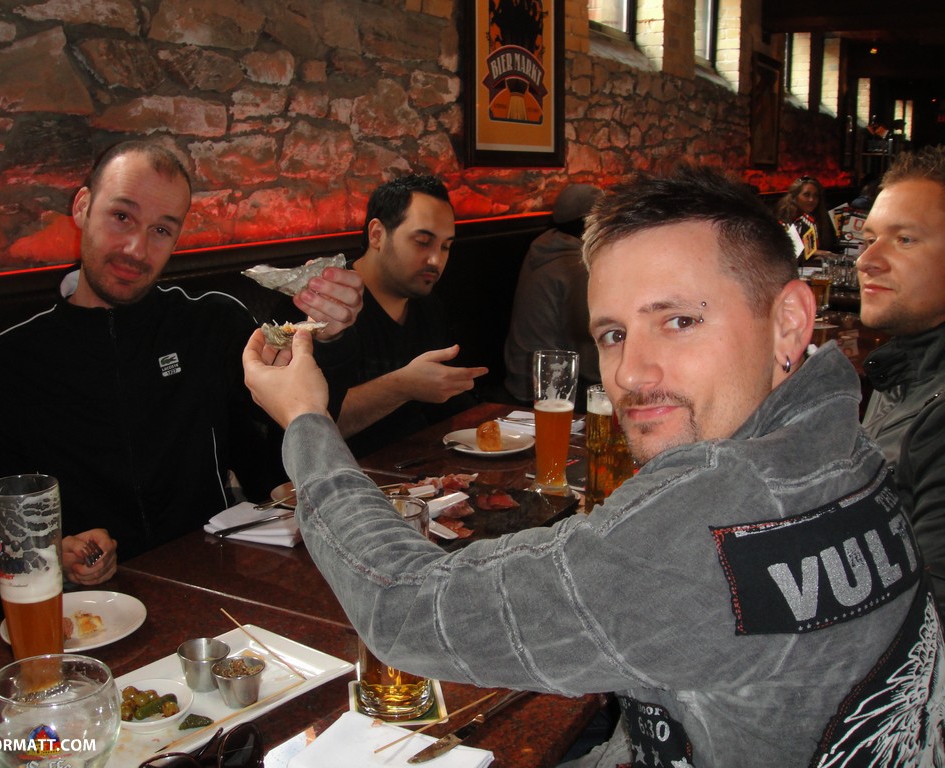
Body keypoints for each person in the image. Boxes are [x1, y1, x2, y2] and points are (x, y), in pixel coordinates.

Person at [242, 166, 945, 766]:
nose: (631, 373)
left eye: (679, 320)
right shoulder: (841, 447)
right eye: (612, 333)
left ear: (789, 321)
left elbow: (402, 607)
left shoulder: (712, 519)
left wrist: (306, 419)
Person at [0, 140, 363, 581]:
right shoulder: (3, 363)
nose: (137, 249)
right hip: (85, 603)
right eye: (121, 217)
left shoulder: (211, 324)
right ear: (82, 207)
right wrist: (52, 552)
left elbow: (296, 423)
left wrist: (328, 339)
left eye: (160, 230)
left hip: (214, 577)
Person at [335, 174, 488, 457]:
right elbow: (307, 423)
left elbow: (448, 404)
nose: (436, 260)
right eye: (422, 241)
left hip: (420, 466)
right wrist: (403, 386)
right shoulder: (326, 302)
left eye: (445, 246)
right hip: (343, 476)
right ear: (377, 234)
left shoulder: (427, 305)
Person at [857, 145, 945, 612]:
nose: (866, 259)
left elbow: (928, 621)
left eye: (904, 239)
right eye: (869, 238)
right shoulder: (901, 371)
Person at [503, 183, 603, 403]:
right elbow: (589, 333)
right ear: (592, 223)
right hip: (547, 389)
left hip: (519, 375)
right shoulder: (575, 264)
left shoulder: (544, 247)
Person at [775, 175, 839, 256]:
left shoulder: (821, 217)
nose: (811, 199)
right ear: (795, 197)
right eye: (806, 195)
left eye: (815, 196)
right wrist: (815, 253)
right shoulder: (785, 219)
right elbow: (788, 251)